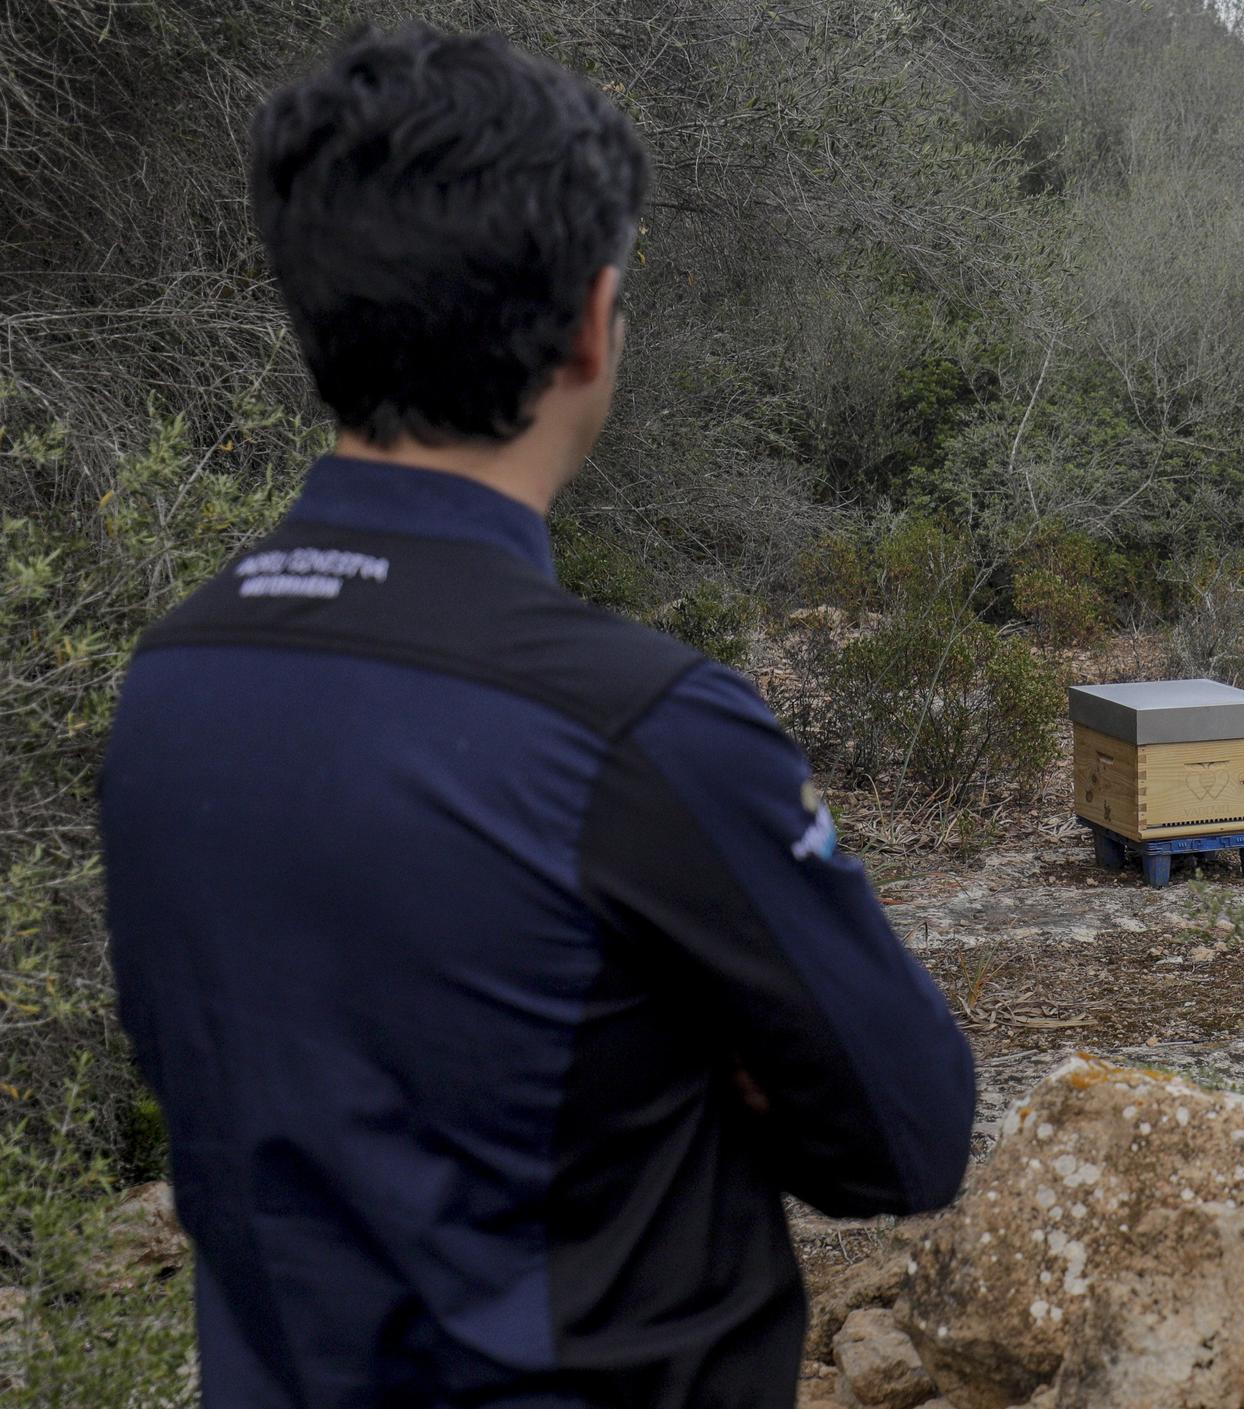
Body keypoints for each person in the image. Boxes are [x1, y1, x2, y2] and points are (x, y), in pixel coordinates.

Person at [98, 24, 975, 1409]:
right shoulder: (643, 729)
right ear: (591, 321)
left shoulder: (172, 679)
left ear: (316, 315)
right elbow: (909, 1131)